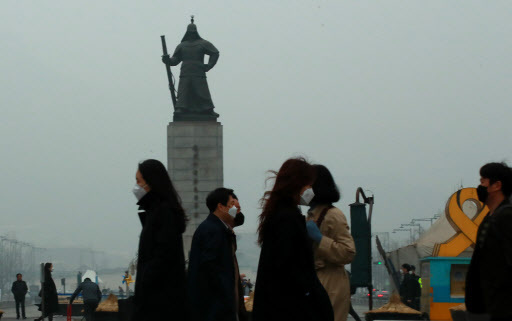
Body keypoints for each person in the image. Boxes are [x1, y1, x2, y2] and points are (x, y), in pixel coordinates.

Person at [252, 157, 334, 321]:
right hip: (291, 308)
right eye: (309, 184)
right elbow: (291, 268)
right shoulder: (287, 219)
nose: (311, 189)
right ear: (297, 184)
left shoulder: (279, 214)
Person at [131, 159, 188, 321]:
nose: (136, 186)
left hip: (159, 302)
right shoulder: (157, 211)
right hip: (160, 299)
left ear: (151, 182)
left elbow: (162, 256)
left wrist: (144, 285)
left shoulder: (163, 213)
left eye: (138, 181)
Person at [187, 188, 247, 321]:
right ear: (220, 206)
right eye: (231, 204)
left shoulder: (218, 229)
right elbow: (212, 270)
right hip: (215, 309)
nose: (235, 209)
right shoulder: (212, 230)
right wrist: (226, 295)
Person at [306, 164, 356, 321]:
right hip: (316, 280)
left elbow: (348, 252)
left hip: (331, 283)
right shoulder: (312, 215)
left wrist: (321, 240)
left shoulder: (333, 215)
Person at [466, 162, 512, 320]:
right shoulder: (489, 218)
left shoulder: (506, 217)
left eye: (483, 181)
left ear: (497, 185)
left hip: (502, 307)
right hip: (486, 305)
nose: (480, 186)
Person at [162, 18, 220, 118]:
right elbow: (175, 60)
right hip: (185, 72)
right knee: (184, 91)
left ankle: (208, 109)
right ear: (187, 33)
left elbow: (215, 53)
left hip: (198, 71)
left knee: (202, 91)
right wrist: (167, 60)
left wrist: (209, 65)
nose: (192, 34)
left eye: (193, 32)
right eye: (190, 32)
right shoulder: (182, 46)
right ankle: (181, 108)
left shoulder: (203, 43)